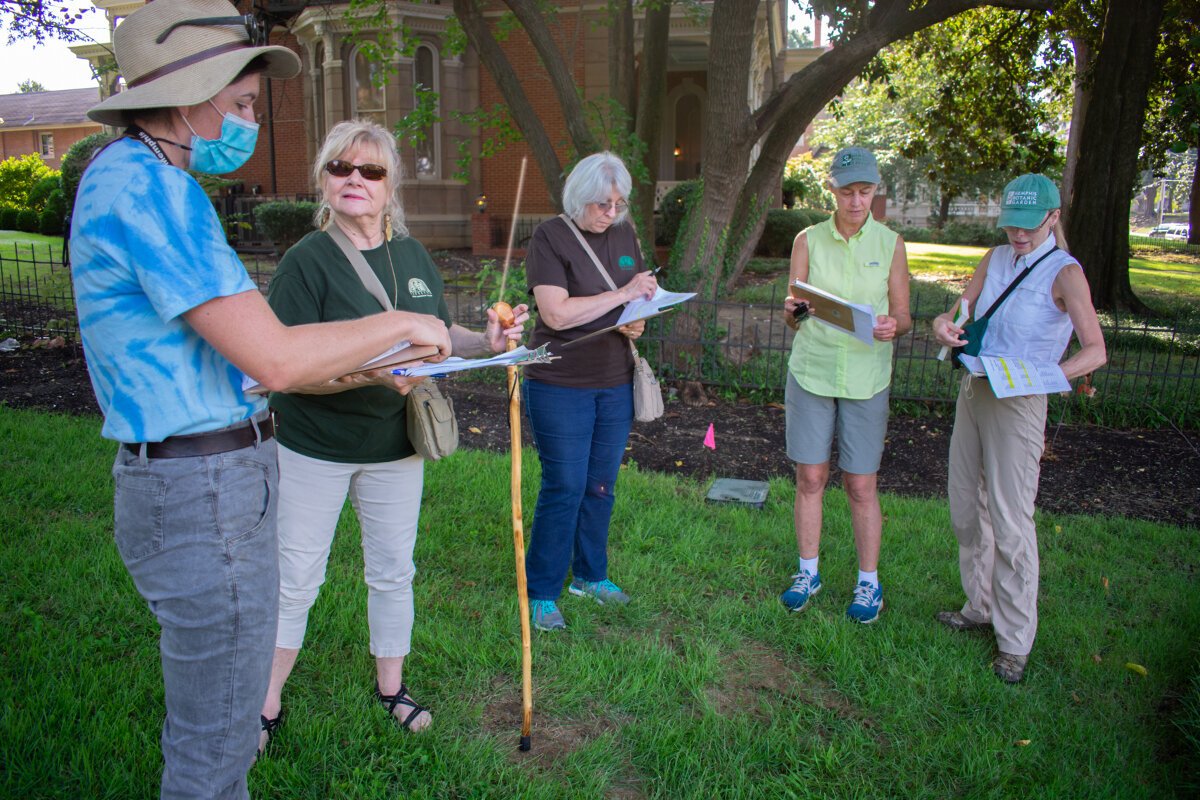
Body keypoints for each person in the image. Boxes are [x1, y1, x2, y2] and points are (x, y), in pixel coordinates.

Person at [69, 2, 451, 797]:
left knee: (215, 731)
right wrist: (402, 324)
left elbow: (236, 356)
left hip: (188, 476)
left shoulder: (129, 176)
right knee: (217, 754)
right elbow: (275, 358)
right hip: (202, 488)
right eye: (242, 105)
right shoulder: (157, 194)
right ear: (190, 93)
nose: (248, 121)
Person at [257, 119, 529, 744]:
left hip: (394, 448)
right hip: (313, 448)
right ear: (323, 180)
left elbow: (435, 332)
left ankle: (392, 688)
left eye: (371, 170)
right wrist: (369, 377)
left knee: (392, 570)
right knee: (296, 574)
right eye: (341, 168)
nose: (355, 179)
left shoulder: (411, 256)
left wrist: (480, 342)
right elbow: (287, 372)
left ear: (390, 185)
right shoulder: (306, 263)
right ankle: (265, 701)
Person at [931, 174, 1106, 683]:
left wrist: (1048, 375)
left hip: (1021, 402)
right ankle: (978, 606)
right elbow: (959, 311)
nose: (1018, 236)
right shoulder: (995, 257)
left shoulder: (1065, 272)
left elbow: (1095, 349)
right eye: (1011, 226)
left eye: (1028, 227)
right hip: (976, 388)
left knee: (1010, 520)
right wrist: (945, 323)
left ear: (1053, 218)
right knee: (966, 506)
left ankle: (1014, 640)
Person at [521, 151, 658, 631]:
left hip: (614, 380)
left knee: (601, 485)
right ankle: (541, 591)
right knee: (564, 486)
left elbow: (637, 297)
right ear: (579, 198)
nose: (612, 213)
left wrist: (637, 319)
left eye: (619, 204)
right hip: (560, 382)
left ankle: (590, 576)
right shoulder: (550, 237)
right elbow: (555, 314)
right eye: (603, 204)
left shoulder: (624, 233)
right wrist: (621, 297)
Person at [779, 146, 911, 624]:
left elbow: (904, 315)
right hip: (812, 371)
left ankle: (867, 583)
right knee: (810, 477)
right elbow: (793, 309)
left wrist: (892, 326)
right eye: (848, 191)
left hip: (866, 376)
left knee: (860, 483)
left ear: (875, 191)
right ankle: (807, 572)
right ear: (831, 190)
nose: (857, 202)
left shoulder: (891, 244)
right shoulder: (808, 239)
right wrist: (793, 313)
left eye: (866, 191)